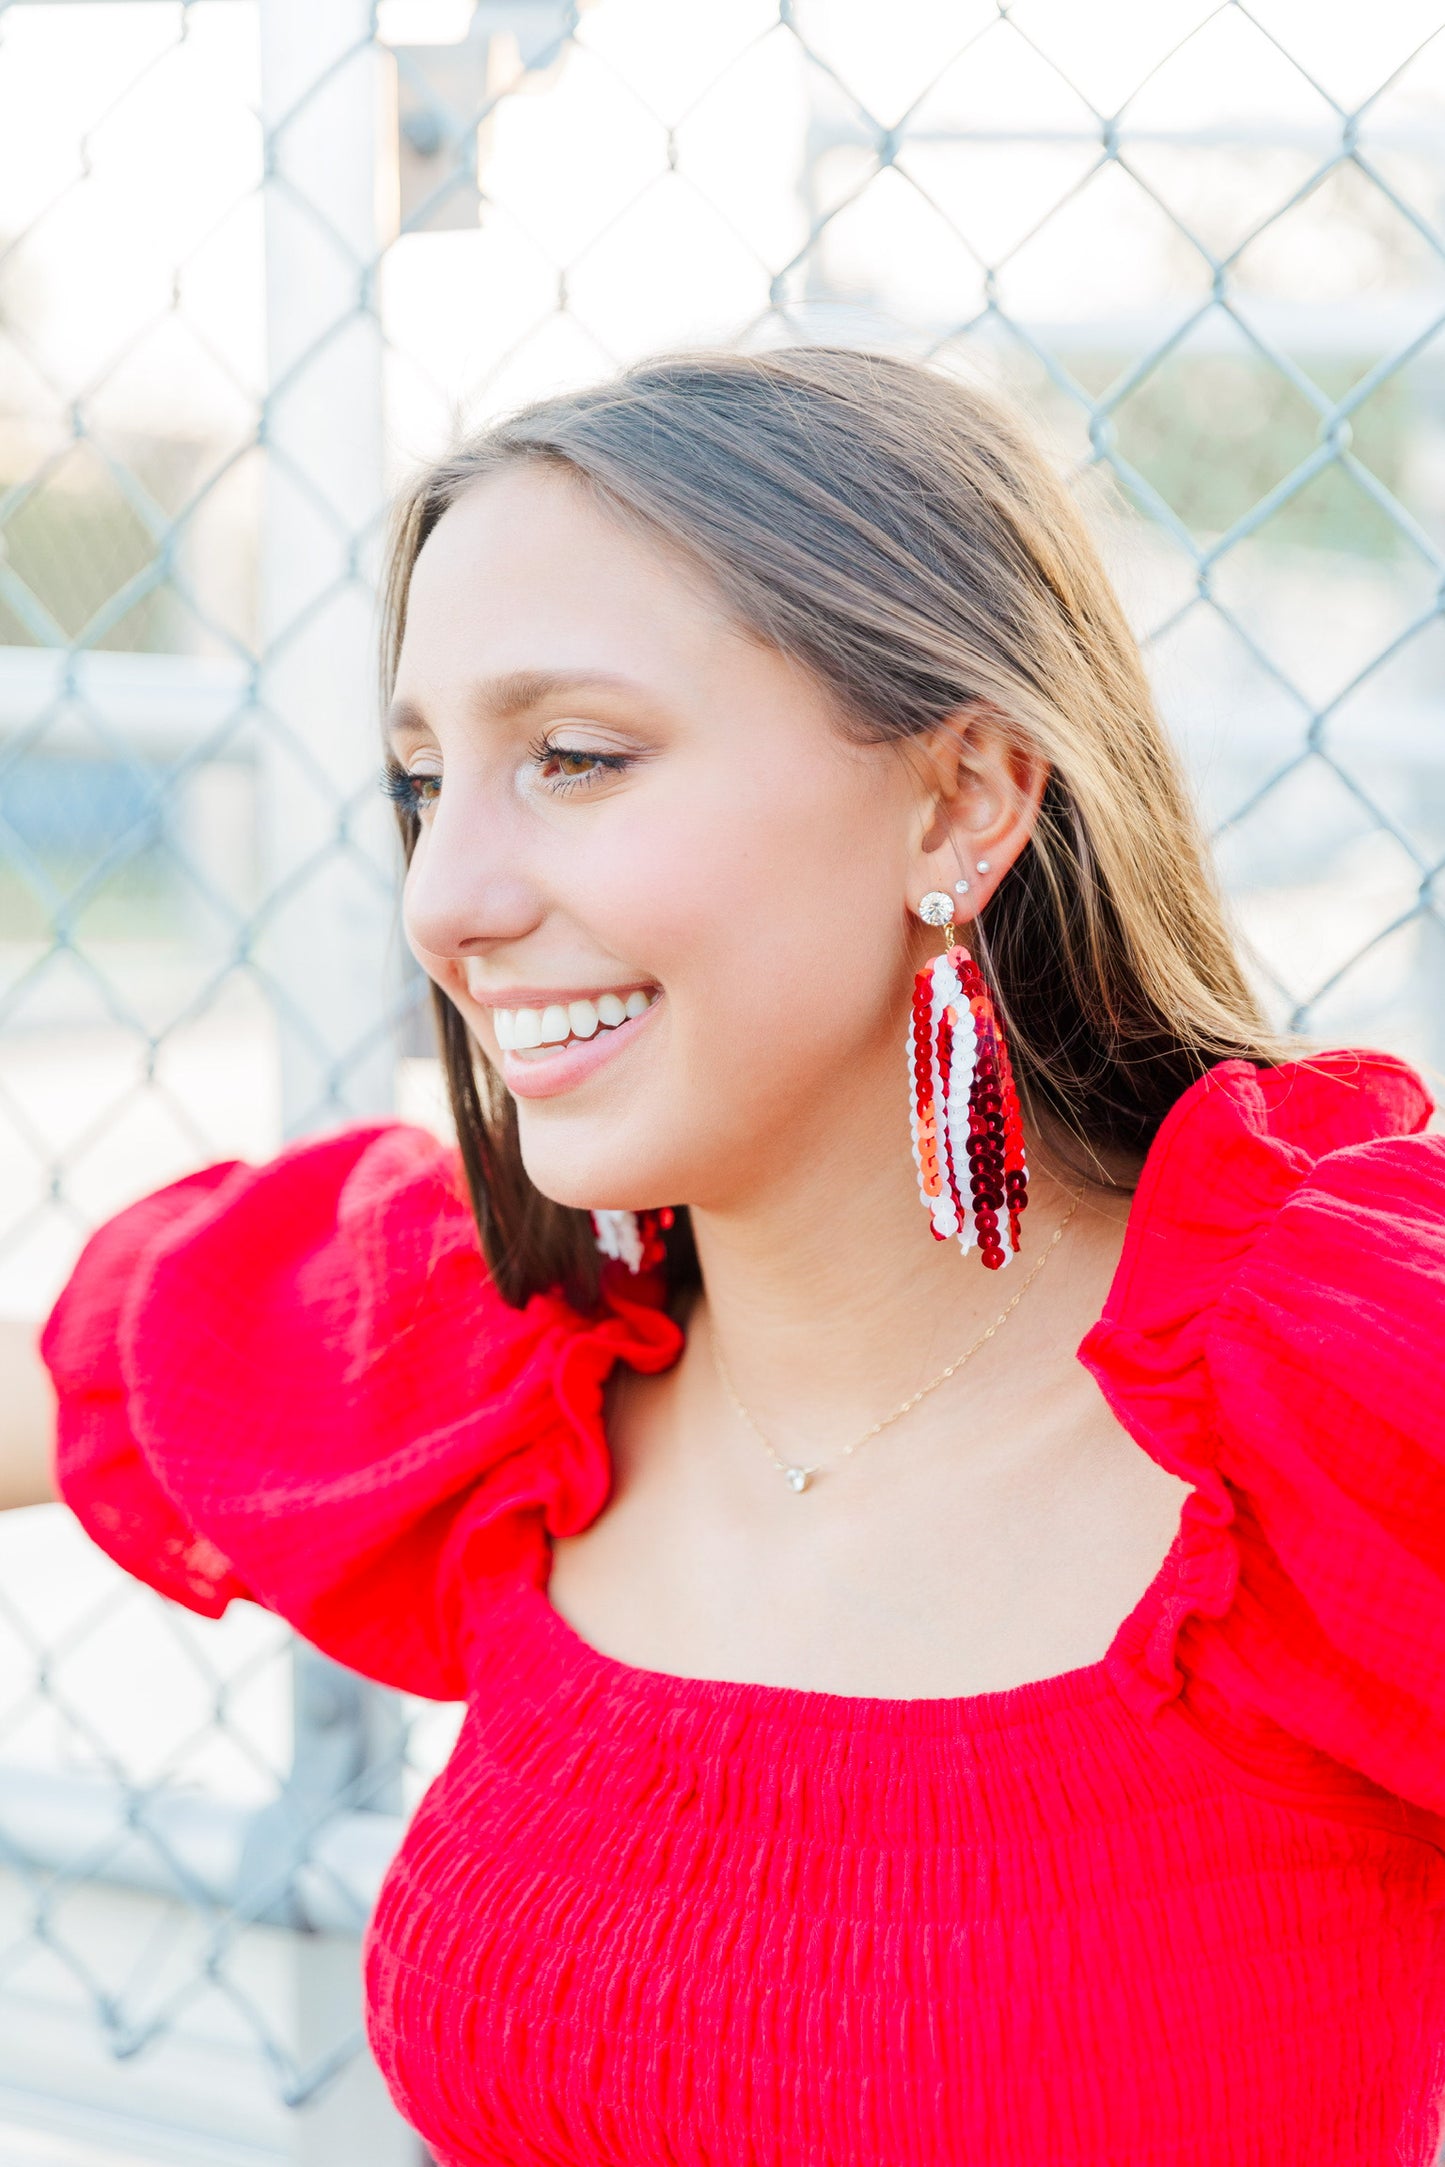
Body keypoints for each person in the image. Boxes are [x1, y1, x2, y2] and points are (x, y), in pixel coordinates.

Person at [2, 345, 1443, 2166]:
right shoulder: (496, 1350)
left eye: (577, 759)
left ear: (957, 803)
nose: (446, 897)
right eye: (423, 784)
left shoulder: (1344, 1393)